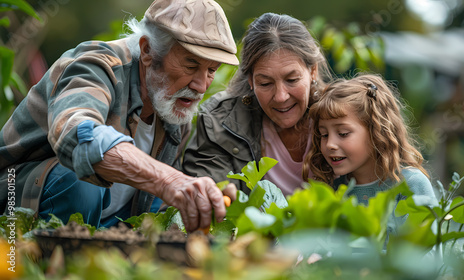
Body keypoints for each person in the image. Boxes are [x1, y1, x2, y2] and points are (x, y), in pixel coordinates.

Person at [0, 0, 239, 232]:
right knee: (81, 180)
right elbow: (78, 135)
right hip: (14, 198)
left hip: (111, 220)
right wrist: (169, 181)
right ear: (148, 50)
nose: (201, 85)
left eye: (211, 70)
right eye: (190, 66)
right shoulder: (97, 65)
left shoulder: (174, 106)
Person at [182, 12, 332, 196]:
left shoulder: (346, 114)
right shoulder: (219, 120)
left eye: (292, 80)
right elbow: (209, 194)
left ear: (313, 71)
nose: (281, 96)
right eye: (266, 83)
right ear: (251, 81)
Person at [303, 73, 437, 234]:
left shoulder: (411, 185)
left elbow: (427, 252)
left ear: (376, 131)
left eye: (343, 133)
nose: (330, 144)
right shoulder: (334, 190)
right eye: (324, 134)